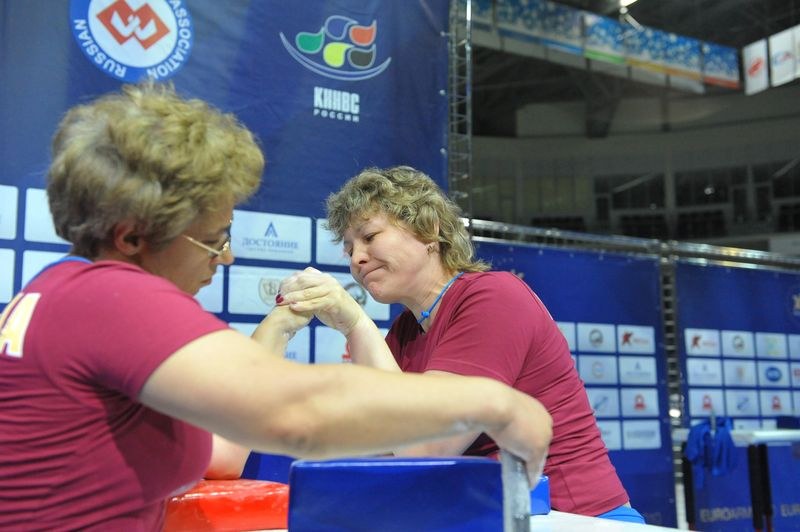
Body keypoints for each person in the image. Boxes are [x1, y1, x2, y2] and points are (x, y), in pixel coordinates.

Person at [0, 85, 552, 530]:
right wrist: (495, 403)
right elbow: (296, 415)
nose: (228, 255)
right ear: (130, 236)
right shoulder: (116, 298)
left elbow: (218, 450)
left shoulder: (64, 289)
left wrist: (279, 324)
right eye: (213, 238)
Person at [276, 165, 645, 523]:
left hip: (580, 518)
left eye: (370, 237)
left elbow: (423, 450)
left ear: (429, 229)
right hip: (492, 516)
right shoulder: (404, 332)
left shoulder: (494, 296)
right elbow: (379, 445)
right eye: (349, 246)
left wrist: (354, 322)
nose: (356, 258)